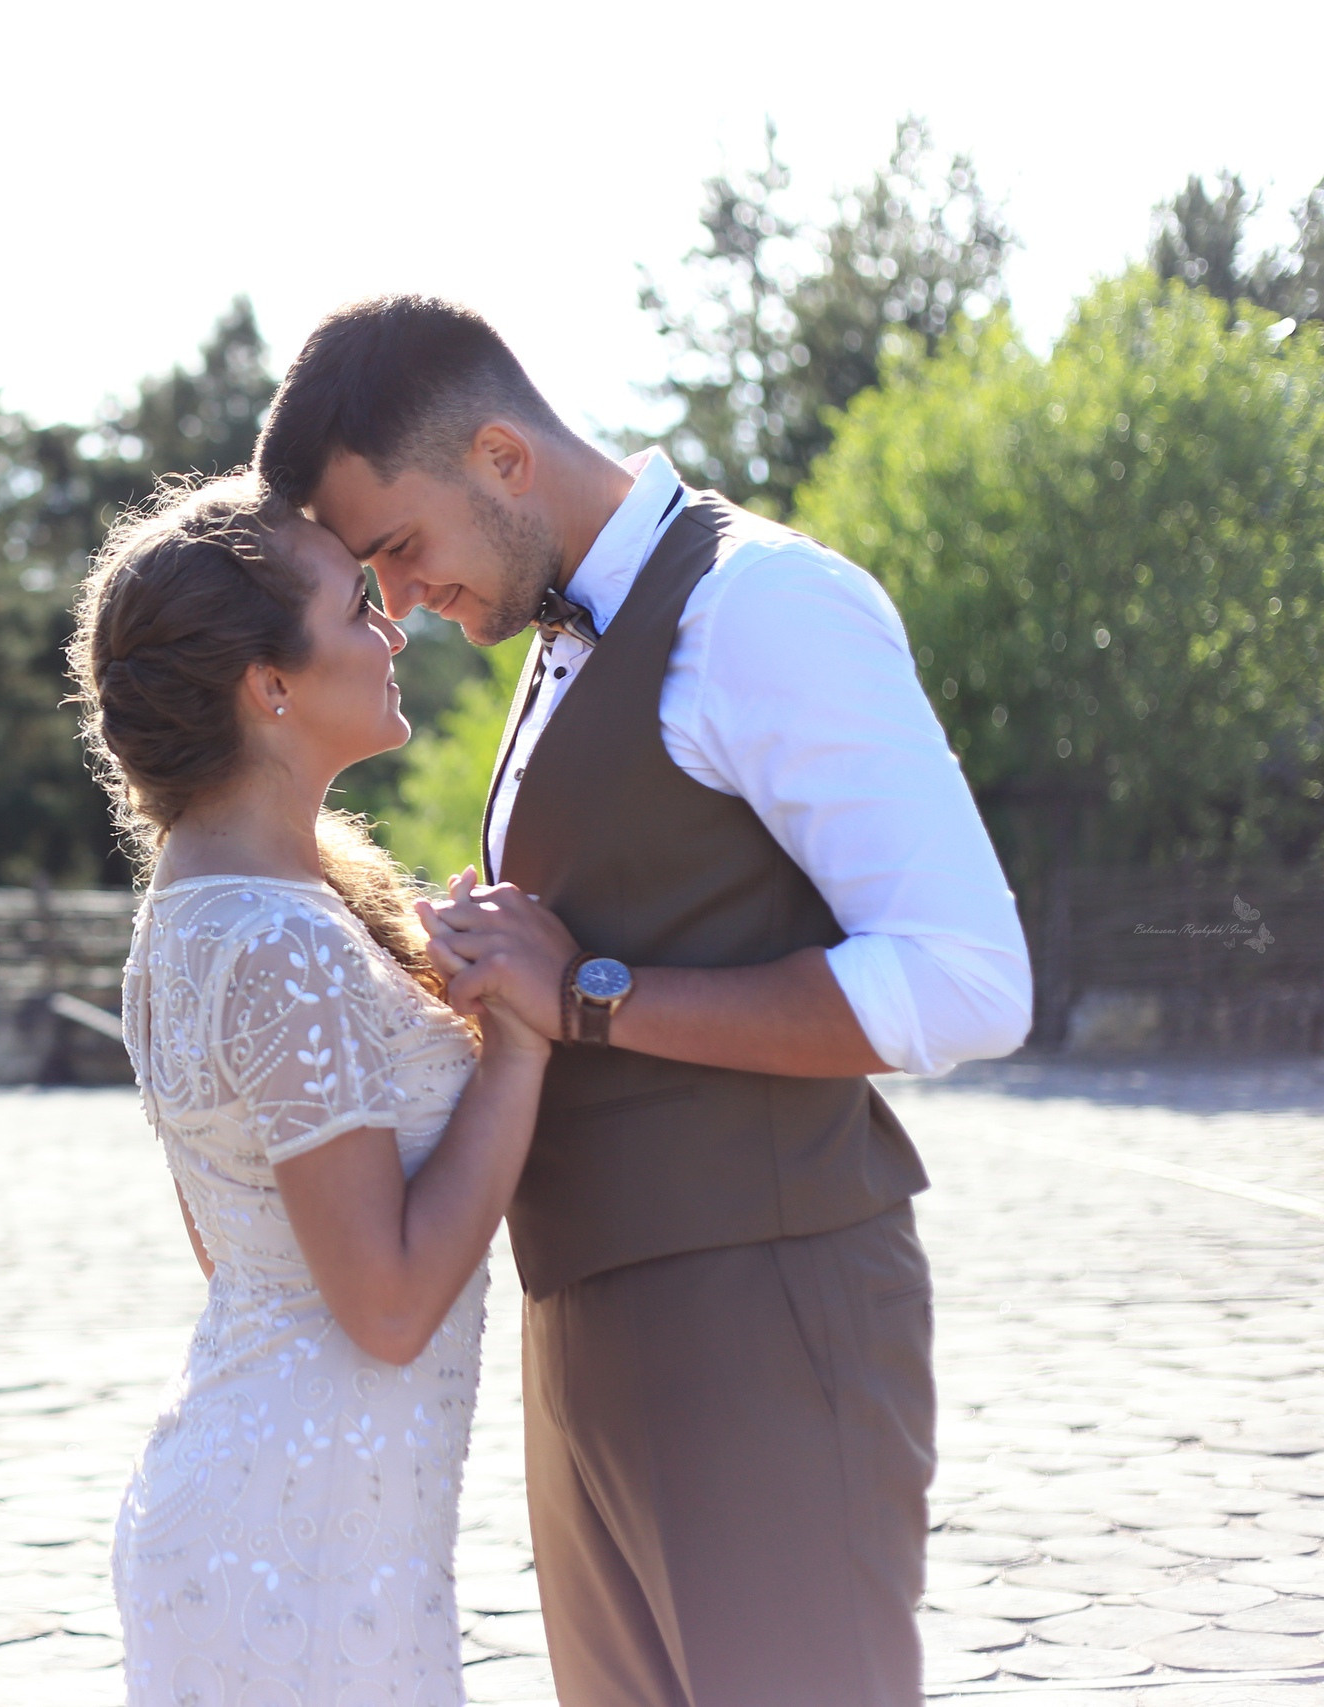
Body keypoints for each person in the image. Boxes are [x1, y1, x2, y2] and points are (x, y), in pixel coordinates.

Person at [255, 294, 1034, 1706]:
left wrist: (595, 993)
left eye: (399, 550)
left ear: (501, 455)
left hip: (766, 1313)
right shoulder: (556, 642)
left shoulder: (769, 606)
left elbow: (970, 976)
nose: (403, 601)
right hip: (592, 1329)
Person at [72, 474, 550, 1705]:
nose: (393, 627)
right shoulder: (278, 939)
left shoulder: (204, 908)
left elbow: (241, 1252)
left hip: (287, 1513)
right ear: (267, 686)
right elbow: (384, 1310)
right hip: (300, 1547)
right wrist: (521, 1048)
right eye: (357, 609)